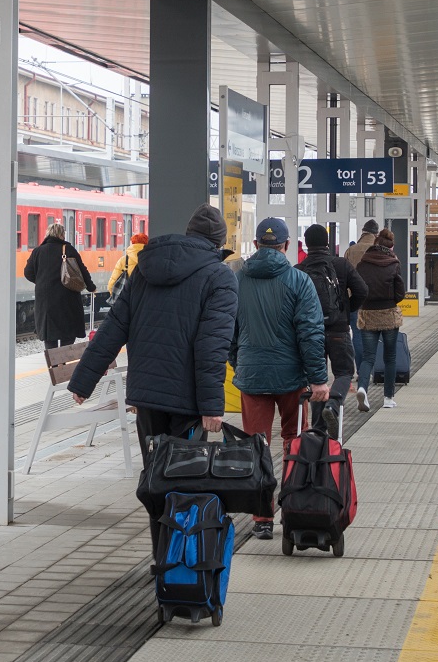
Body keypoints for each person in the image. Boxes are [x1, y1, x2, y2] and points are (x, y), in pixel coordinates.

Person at [68, 205, 238, 549]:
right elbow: (211, 346)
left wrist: (84, 381)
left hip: (147, 396)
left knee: (156, 475)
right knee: (185, 478)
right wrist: (212, 407)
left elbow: (114, 327)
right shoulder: (219, 277)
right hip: (188, 401)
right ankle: (178, 560)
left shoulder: (145, 269)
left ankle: (162, 554)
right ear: (219, 242)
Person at [230, 217, 330, 540]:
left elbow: (228, 332)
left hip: (252, 376)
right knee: (293, 442)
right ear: (287, 246)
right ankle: (292, 508)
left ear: (256, 244)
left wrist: (240, 363)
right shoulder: (299, 281)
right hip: (292, 380)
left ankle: (262, 518)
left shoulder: (236, 280)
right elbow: (311, 333)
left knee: (257, 446)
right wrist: (318, 379)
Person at [298, 223, 368, 417]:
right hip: (338, 329)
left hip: (311, 333)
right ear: (327, 243)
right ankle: (333, 405)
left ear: (306, 243)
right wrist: (346, 309)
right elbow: (362, 290)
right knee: (344, 373)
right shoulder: (341, 265)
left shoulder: (300, 269)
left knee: (316, 378)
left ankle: (318, 425)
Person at [356, 227, 407, 408]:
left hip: (368, 314)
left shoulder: (362, 264)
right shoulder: (393, 264)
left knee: (368, 357)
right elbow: (400, 292)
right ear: (391, 247)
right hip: (388, 315)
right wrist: (391, 300)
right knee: (390, 357)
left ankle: (362, 389)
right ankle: (388, 398)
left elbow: (358, 289)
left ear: (375, 244)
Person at [24, 223, 95, 349]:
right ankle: (64, 360)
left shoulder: (38, 251)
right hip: (67, 298)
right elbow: (82, 270)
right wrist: (91, 287)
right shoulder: (68, 249)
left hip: (46, 300)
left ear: (47, 234)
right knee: (68, 334)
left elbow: (28, 273)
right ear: (62, 235)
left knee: (49, 335)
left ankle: (53, 361)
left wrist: (41, 282)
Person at [344, 218, 380, 371]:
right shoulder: (379, 250)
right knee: (375, 336)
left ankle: (361, 370)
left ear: (363, 232)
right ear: (376, 234)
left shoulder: (351, 250)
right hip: (375, 300)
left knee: (357, 335)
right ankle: (373, 369)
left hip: (355, 300)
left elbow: (344, 277)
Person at [108, 232, 148, 298]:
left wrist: (112, 292)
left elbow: (113, 282)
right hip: (146, 295)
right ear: (146, 243)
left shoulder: (123, 260)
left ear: (132, 243)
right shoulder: (151, 259)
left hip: (128, 296)